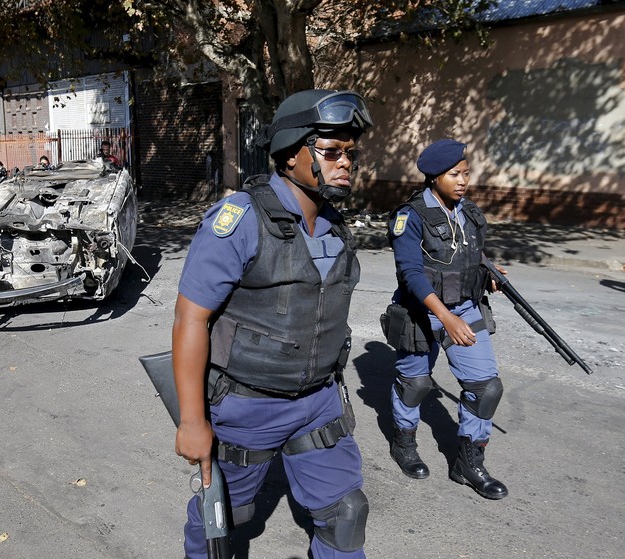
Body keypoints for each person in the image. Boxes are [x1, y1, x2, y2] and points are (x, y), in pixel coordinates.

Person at [172, 89, 373, 559]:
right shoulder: (239, 219)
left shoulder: (334, 224)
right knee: (222, 520)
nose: (345, 162)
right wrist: (192, 421)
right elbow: (190, 318)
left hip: (319, 400)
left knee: (347, 514)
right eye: (331, 151)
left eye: (350, 153)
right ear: (289, 154)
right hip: (247, 405)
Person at [384, 138, 508, 500]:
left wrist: (488, 271)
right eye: (455, 174)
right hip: (420, 312)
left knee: (486, 388)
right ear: (435, 177)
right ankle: (403, 442)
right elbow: (411, 273)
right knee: (416, 384)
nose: (463, 180)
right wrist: (444, 317)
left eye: (466, 173)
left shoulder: (467, 211)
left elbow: (468, 255)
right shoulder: (410, 216)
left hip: (466, 308)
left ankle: (469, 463)